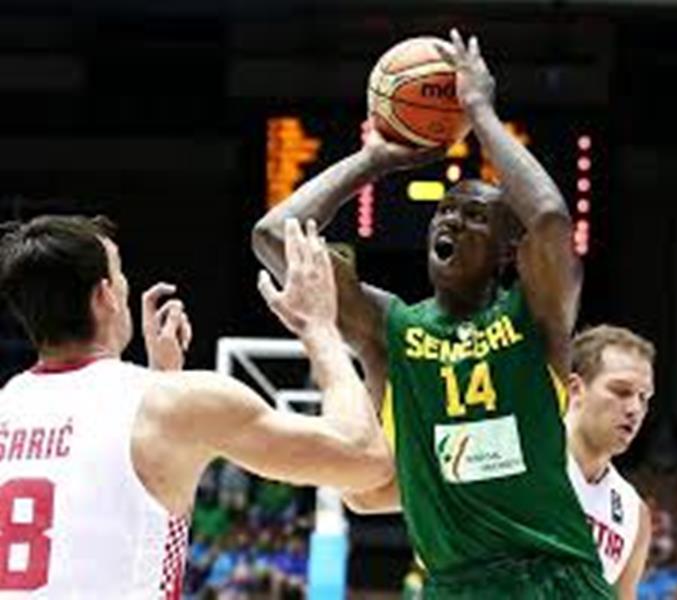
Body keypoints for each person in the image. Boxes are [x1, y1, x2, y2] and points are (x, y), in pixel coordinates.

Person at [254, 28, 611, 599]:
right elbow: (274, 237)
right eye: (444, 211)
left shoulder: (533, 315)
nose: (449, 220)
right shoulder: (392, 325)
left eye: (473, 217)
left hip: (552, 576)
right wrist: (373, 159)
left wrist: (480, 112)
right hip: (451, 585)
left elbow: (549, 220)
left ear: (505, 252)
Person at [0, 215, 392, 597]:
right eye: (120, 277)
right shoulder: (171, 407)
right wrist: (319, 328)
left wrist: (160, 379)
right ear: (105, 296)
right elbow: (365, 457)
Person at [565, 324, 655, 598]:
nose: (635, 409)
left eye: (644, 397)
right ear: (575, 389)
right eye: (621, 391)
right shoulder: (523, 458)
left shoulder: (634, 513)